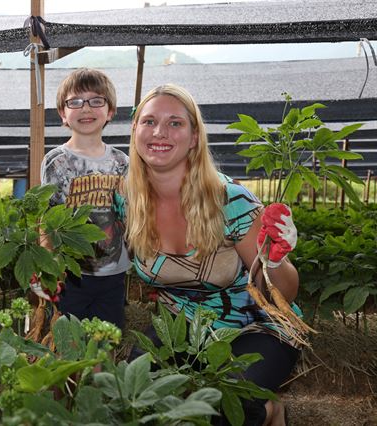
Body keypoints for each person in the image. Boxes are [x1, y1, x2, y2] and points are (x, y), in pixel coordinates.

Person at [125, 84, 302, 426]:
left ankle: (268, 412)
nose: (160, 132)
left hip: (254, 327)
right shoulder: (127, 201)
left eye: (175, 123)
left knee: (223, 413)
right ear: (135, 132)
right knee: (133, 402)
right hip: (180, 327)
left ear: (194, 137)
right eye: (149, 121)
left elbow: (282, 296)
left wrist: (275, 261)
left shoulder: (231, 201)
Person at [32, 68, 130, 329]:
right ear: (63, 114)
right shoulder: (57, 161)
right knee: (71, 340)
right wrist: (48, 263)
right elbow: (48, 216)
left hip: (114, 270)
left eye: (96, 100)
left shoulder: (122, 161)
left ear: (110, 111)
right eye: (75, 102)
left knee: (108, 338)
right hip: (71, 271)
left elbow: (131, 214)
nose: (86, 108)